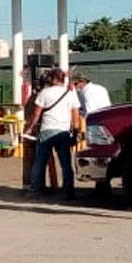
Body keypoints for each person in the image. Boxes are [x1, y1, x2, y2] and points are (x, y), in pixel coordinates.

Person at [24, 68, 81, 200]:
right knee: (66, 163)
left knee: (39, 162)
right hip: (64, 132)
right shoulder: (70, 94)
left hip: (46, 131)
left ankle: (34, 190)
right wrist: (75, 133)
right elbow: (76, 116)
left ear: (53, 79)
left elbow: (37, 114)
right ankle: (69, 191)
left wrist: (30, 128)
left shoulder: (44, 93)